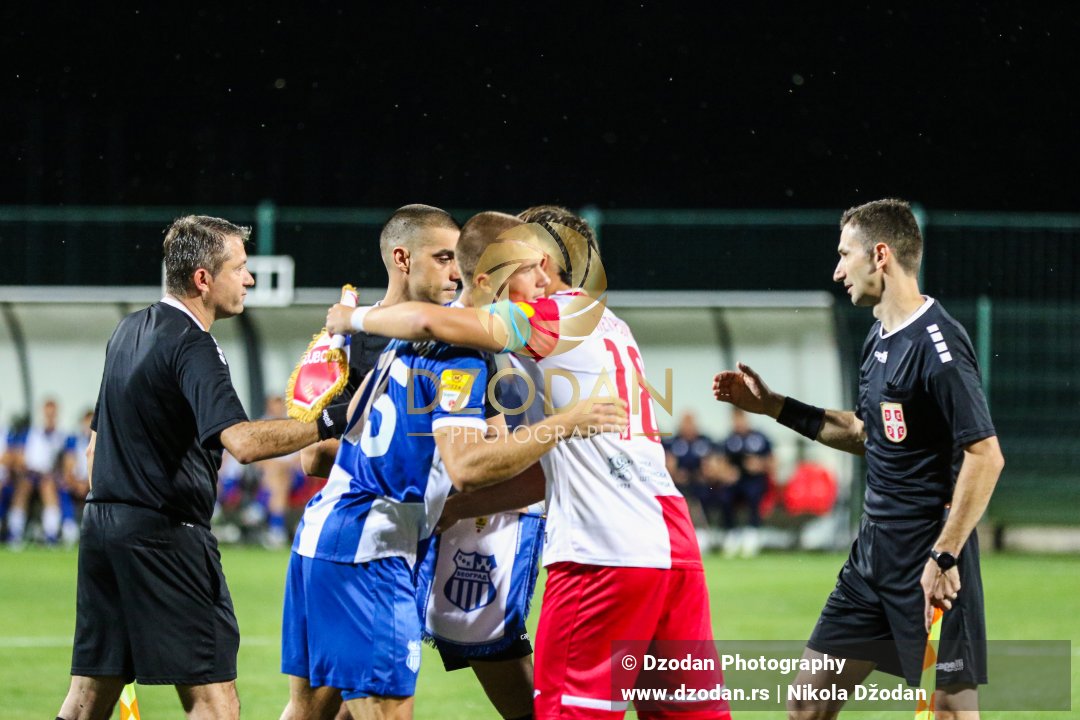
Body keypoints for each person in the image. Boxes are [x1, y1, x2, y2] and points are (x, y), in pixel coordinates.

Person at [327, 205, 730, 719]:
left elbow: (433, 320)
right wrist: (462, 508)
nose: (530, 276)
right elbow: (549, 473)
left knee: (564, 710)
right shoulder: (611, 325)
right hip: (672, 548)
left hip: (604, 551)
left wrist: (353, 318)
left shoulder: (552, 315)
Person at [279, 207, 625, 720]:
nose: (542, 283)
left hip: (325, 532)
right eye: (529, 269)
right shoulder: (468, 352)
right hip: (377, 542)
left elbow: (341, 431)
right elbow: (466, 467)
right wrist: (564, 423)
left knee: (317, 708)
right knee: (395, 702)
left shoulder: (401, 334)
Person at [713, 198, 1004, 719]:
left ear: (881, 255)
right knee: (807, 702)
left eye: (846, 254)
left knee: (952, 711)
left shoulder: (939, 345)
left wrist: (945, 556)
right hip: (871, 559)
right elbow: (867, 432)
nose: (837, 269)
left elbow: (985, 455)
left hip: (928, 559)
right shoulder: (878, 336)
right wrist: (773, 406)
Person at [57, 215, 321, 720]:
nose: (248, 278)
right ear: (204, 279)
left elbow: (95, 449)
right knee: (214, 703)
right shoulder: (194, 344)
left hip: (103, 530)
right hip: (165, 537)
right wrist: (332, 421)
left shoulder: (128, 329)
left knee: (89, 696)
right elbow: (242, 443)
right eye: (240, 268)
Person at [716, 407, 774, 558]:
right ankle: (731, 532)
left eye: (740, 418)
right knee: (725, 496)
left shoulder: (760, 438)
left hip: (755, 480)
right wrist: (727, 473)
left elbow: (773, 462)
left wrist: (759, 465)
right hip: (735, 481)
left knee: (754, 493)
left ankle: (752, 532)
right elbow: (721, 463)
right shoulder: (729, 440)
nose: (738, 423)